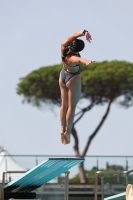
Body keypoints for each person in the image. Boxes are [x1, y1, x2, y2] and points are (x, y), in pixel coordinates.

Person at [59, 30, 95, 145]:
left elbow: (73, 35)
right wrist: (86, 61)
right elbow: (79, 60)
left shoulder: (64, 46)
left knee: (63, 105)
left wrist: (84, 33)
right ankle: (68, 132)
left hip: (62, 76)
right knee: (72, 107)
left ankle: (62, 129)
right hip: (72, 78)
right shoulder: (73, 58)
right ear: (79, 50)